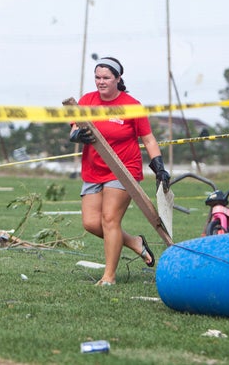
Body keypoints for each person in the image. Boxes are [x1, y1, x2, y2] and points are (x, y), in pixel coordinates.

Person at [69, 56, 170, 286]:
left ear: (118, 78)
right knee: (91, 223)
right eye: (97, 77)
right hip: (94, 169)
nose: (100, 82)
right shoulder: (87, 101)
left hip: (123, 169)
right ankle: (135, 242)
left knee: (109, 219)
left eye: (106, 77)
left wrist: (159, 166)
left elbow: (149, 138)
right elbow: (74, 128)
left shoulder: (132, 106)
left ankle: (109, 277)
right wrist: (76, 135)